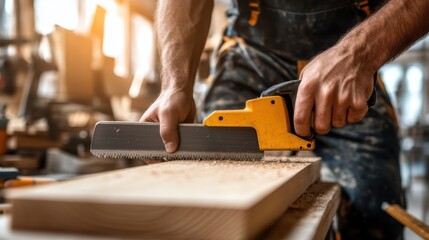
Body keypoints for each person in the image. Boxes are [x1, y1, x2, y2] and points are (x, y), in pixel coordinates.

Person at [141, 0, 429, 239]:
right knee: (219, 208)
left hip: (355, 67)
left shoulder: (358, 56)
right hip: (250, 60)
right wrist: (176, 85)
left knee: (374, 211)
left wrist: (359, 54)